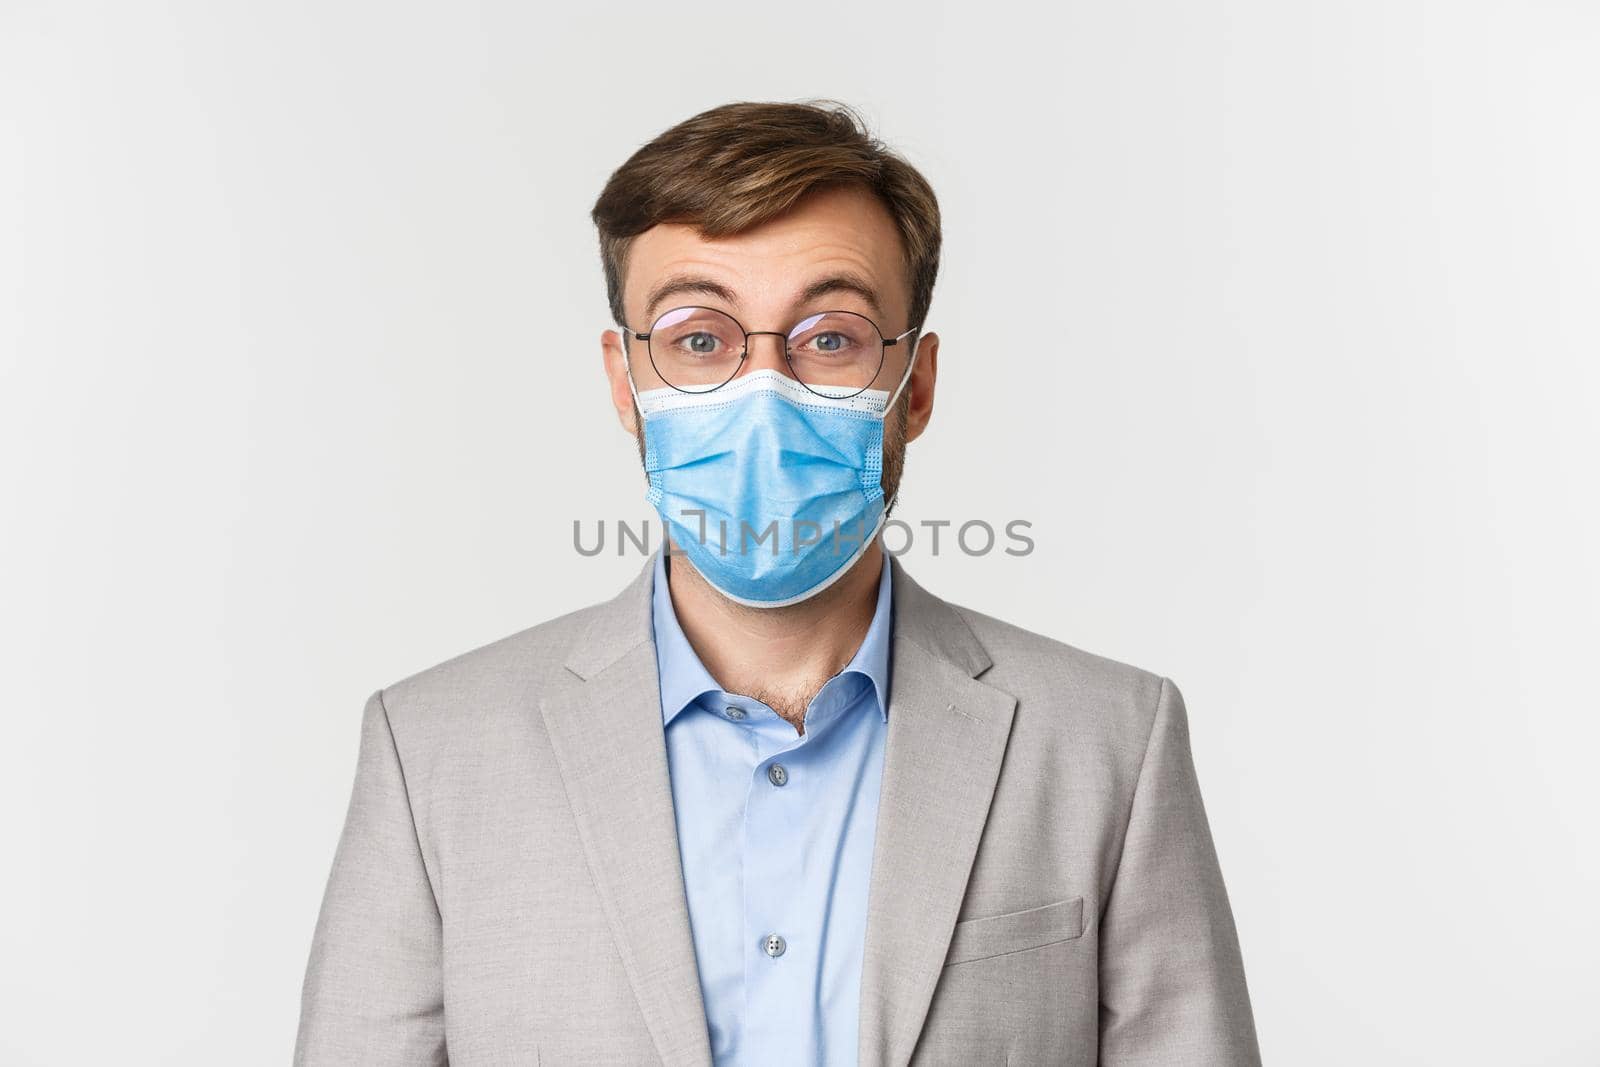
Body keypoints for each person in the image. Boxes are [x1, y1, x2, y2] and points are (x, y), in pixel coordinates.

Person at [294, 98, 1262, 1066]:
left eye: (830, 337)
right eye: (701, 337)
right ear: (626, 382)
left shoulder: (1106, 738)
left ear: (913, 387)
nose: (764, 391)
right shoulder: (434, 750)